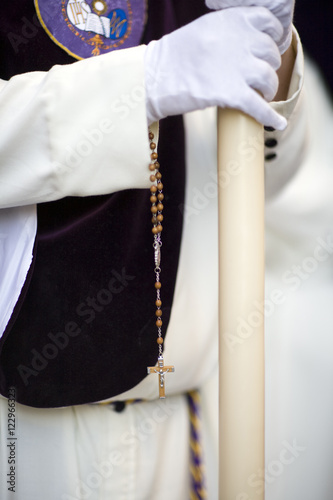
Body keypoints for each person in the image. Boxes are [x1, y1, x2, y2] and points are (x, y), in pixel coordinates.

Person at [0, 0, 304, 498]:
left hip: (180, 426)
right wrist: (142, 83)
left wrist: (278, 54)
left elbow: (278, 186)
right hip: (25, 441)